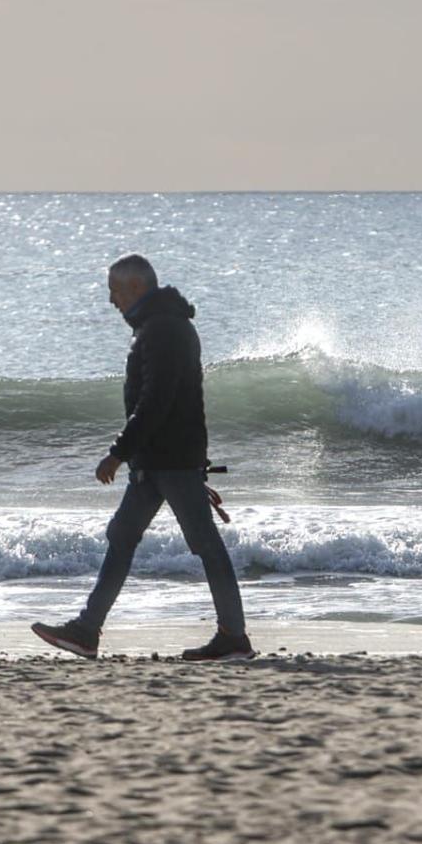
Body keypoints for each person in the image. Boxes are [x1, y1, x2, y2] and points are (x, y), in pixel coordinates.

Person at [32, 255, 255, 662]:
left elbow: (157, 400)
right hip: (155, 461)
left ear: (136, 287)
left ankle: (234, 636)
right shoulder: (158, 327)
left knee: (205, 544)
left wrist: (118, 452)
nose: (111, 300)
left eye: (114, 290)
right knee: (121, 535)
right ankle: (86, 630)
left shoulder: (164, 330)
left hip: (171, 460)